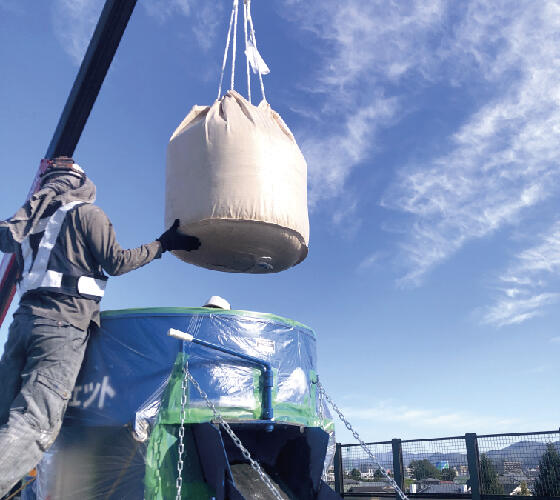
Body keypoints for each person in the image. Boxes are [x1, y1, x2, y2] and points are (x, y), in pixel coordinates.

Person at [0, 157, 200, 496]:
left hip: (23, 325)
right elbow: (116, 262)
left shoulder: (30, 224)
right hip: (62, 326)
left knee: (5, 414)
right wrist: (163, 244)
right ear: (80, 183)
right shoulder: (87, 214)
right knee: (36, 421)